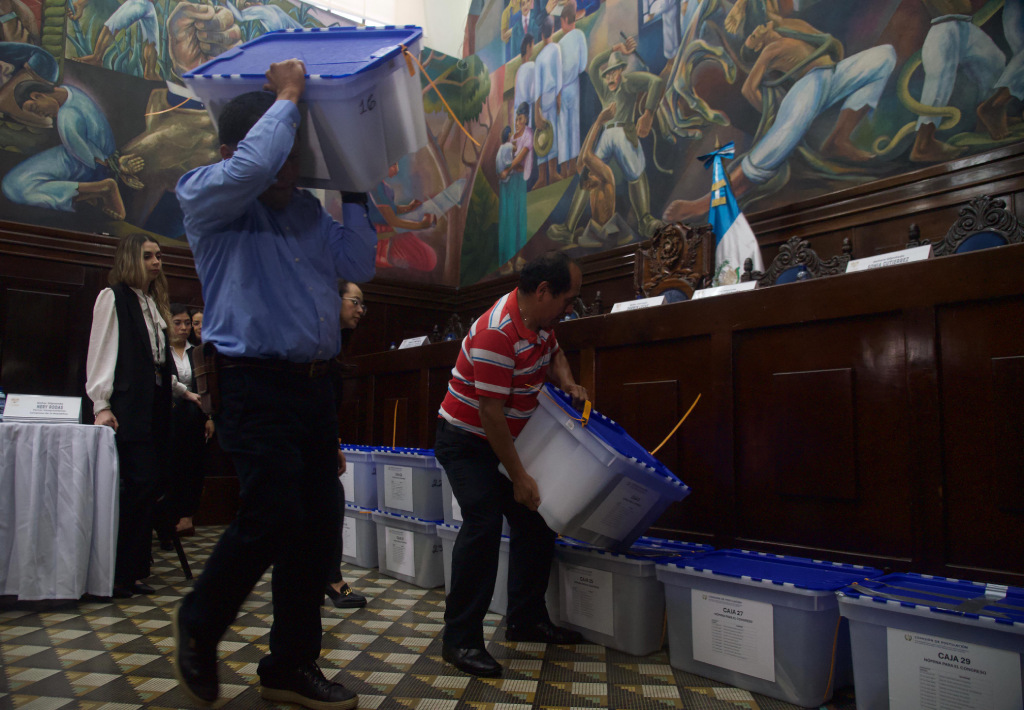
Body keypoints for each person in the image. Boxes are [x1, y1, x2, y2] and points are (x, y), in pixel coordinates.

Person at [172, 58, 376, 710]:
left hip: (315, 388)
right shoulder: (206, 195)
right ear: (239, 150)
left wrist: (357, 187)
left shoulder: (309, 218)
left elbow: (361, 261)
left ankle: (289, 664)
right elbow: (253, 170)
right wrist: (288, 94)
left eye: (295, 155)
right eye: (278, 151)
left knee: (317, 526)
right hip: (251, 383)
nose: (289, 169)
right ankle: (199, 624)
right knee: (272, 515)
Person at [435, 251, 587, 679]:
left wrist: (568, 381)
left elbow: (555, 353)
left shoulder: (541, 322)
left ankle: (525, 620)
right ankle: (460, 640)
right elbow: (490, 414)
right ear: (543, 292)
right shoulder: (496, 333)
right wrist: (519, 476)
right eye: (567, 299)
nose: (570, 307)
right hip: (466, 441)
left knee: (537, 519)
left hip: (504, 438)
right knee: (483, 523)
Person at [86, 234, 201, 598]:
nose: (156, 262)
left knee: (148, 486)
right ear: (130, 259)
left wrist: (184, 393)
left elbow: (159, 365)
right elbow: (102, 353)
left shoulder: (152, 304)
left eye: (158, 255)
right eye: (148, 256)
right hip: (128, 408)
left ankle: (134, 570)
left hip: (153, 408)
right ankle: (120, 572)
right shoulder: (114, 297)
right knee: (136, 486)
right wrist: (101, 404)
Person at [325, 280, 369, 609]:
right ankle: (330, 579)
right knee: (328, 502)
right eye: (355, 302)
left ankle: (326, 576)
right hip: (303, 435)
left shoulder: (335, 342)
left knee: (330, 501)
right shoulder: (317, 341)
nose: (360, 310)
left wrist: (335, 442)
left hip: (321, 436)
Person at [164, 302, 213, 539]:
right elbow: (165, 382)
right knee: (170, 467)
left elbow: (205, 387)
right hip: (168, 418)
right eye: (178, 323)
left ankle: (187, 517)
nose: (184, 328)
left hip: (194, 417)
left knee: (193, 467)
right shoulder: (163, 351)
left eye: (186, 323)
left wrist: (209, 417)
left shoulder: (196, 352)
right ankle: (166, 519)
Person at [498, 103, 533, 274]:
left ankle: (520, 256)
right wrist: (504, 171)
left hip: (518, 180)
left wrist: (507, 170)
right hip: (508, 182)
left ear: (526, 118)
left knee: (519, 218)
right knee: (508, 219)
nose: (517, 122)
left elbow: (520, 157)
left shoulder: (528, 135)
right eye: (516, 119)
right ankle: (507, 260)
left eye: (520, 119)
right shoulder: (511, 139)